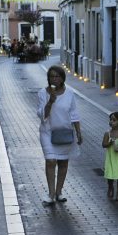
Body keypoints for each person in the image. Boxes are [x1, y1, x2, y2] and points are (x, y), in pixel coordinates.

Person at [37, 65, 83, 205]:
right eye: (51, 76)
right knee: (51, 161)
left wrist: (79, 132)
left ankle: (59, 191)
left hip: (64, 132)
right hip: (48, 132)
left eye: (57, 76)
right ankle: (51, 194)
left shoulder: (69, 94)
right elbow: (41, 115)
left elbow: (74, 114)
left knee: (63, 162)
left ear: (62, 78)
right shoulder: (42, 93)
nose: (54, 79)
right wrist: (50, 102)